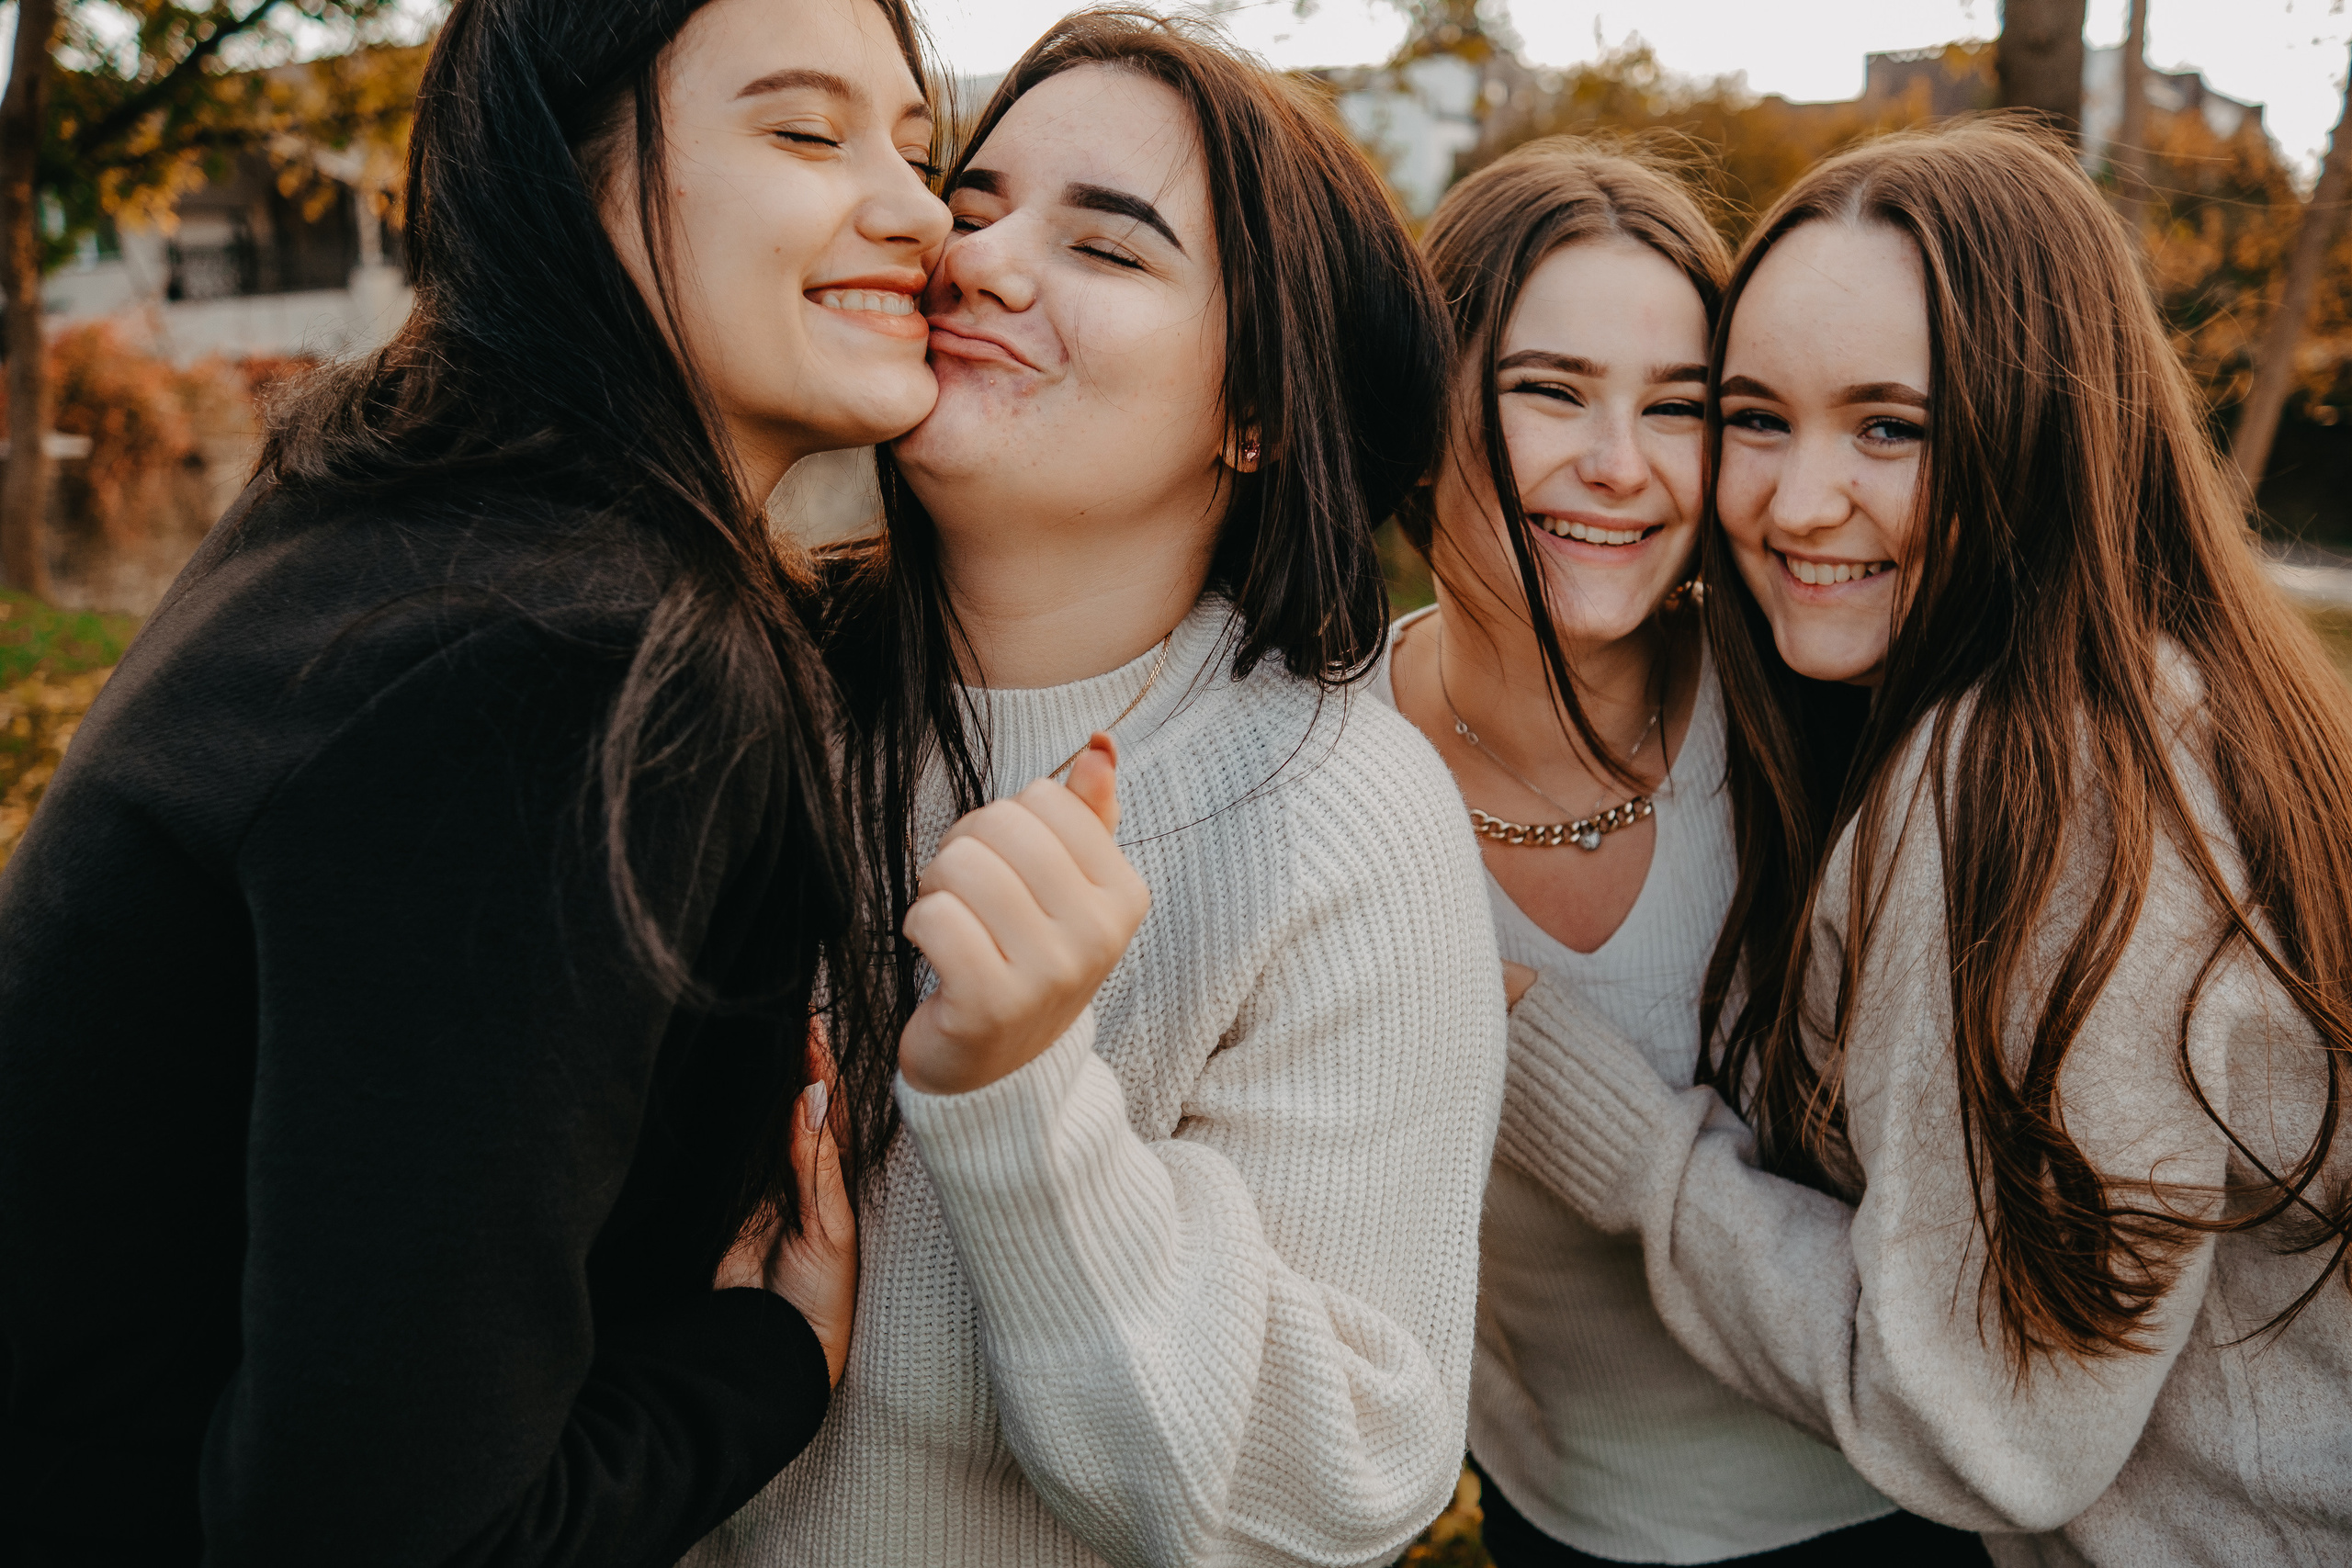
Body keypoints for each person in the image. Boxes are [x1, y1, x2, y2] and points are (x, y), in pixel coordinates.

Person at [0, 0, 961, 1561]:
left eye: (921, 152)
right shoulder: (579, 656)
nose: (919, 211)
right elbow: (381, 1537)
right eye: (804, 129)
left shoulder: (405, 513)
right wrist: (759, 1368)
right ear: (555, 175)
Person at [686, 12, 1505, 1567]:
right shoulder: (733, 686)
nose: (976, 264)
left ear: (1259, 411)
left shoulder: (1340, 816)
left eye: (1108, 250)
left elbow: (1348, 1485)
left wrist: (1022, 1098)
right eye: (973, 204)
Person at [1505, 120, 2352, 1566]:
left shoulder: (2036, 790)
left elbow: (1984, 1424)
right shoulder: (2163, 690)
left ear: (2046, 430)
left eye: (1890, 426)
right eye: (1759, 418)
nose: (1797, 501)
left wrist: (1621, 1135)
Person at [1373, 139, 1984, 1567]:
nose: (1621, 467)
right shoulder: (1329, 775)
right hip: (1563, 1521)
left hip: (1900, 1510)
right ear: (1424, 411)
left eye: (1682, 408)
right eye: (1550, 391)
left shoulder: (1827, 710)